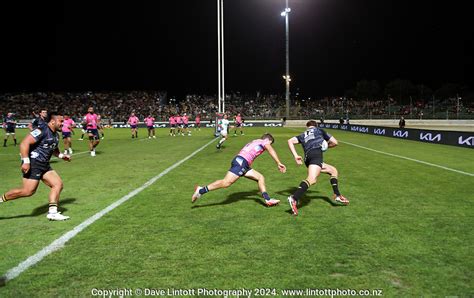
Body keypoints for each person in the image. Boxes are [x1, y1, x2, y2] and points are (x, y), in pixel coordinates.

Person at [1, 112, 72, 221]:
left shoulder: (56, 135)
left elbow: (53, 149)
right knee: (27, 191)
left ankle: (52, 213)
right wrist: (26, 161)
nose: (63, 124)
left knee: (57, 184)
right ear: (53, 121)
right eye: (61, 121)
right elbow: (24, 143)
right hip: (34, 164)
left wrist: (62, 156)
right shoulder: (41, 130)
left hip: (44, 165)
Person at [192, 133, 286, 207]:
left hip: (243, 163)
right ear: (268, 140)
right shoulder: (265, 141)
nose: (270, 145)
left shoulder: (256, 140)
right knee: (226, 183)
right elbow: (271, 150)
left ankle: (267, 199)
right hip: (242, 162)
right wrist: (278, 162)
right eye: (271, 143)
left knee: (260, 177)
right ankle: (200, 190)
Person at [287, 120, 349, 216]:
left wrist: (295, 156)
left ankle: (337, 195)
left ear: (307, 127)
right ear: (316, 125)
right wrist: (326, 146)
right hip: (316, 154)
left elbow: (290, 141)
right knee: (311, 179)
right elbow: (335, 142)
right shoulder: (319, 130)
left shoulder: (303, 135)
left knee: (333, 171)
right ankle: (294, 198)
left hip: (308, 157)